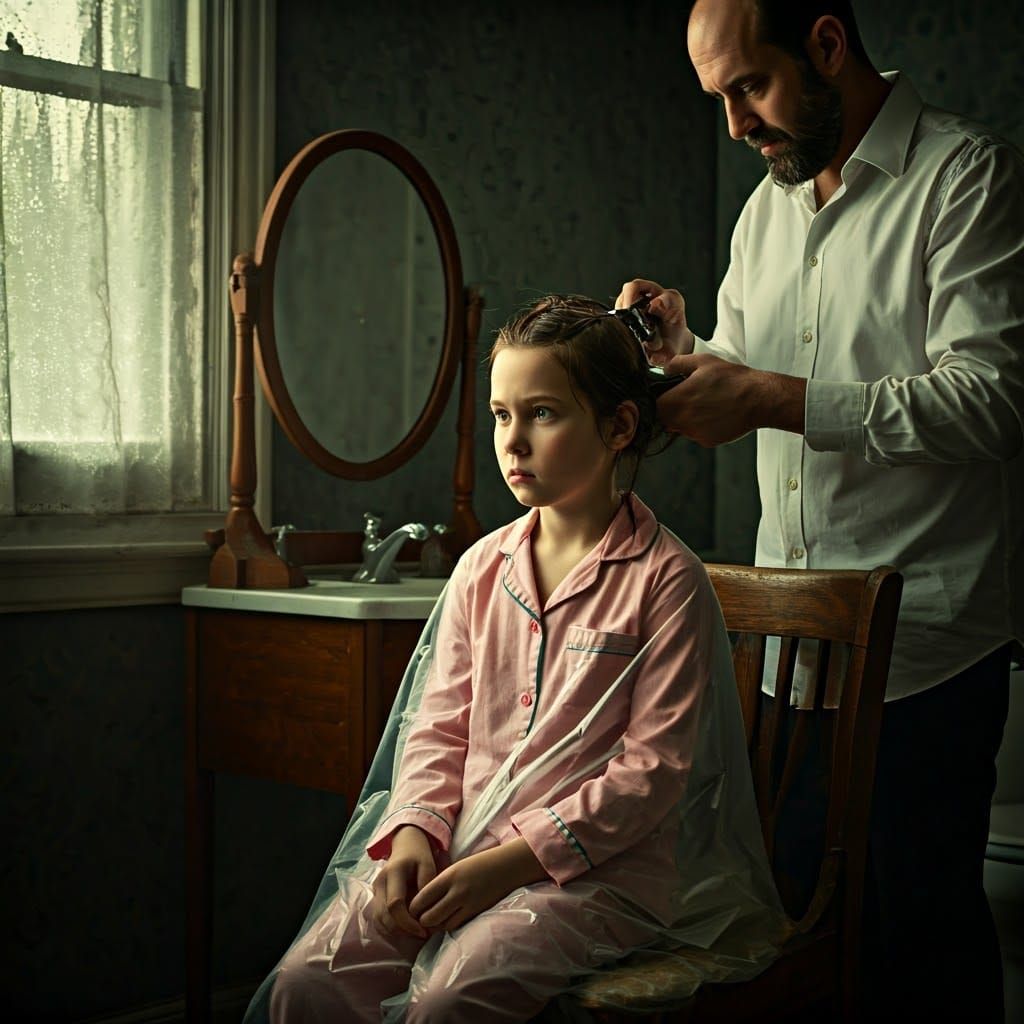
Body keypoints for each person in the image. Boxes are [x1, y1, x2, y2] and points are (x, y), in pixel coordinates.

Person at [618, 1, 1024, 1020]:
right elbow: (739, 372)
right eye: (717, 99)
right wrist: (681, 353)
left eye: (747, 88)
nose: (734, 126)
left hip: (926, 652)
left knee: (920, 954)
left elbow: (995, 399)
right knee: (801, 946)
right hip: (791, 661)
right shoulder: (767, 210)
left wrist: (772, 400)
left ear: (828, 48)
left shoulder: (966, 179)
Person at [243, 295, 785, 1023]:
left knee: (451, 999)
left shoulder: (667, 580)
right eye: (501, 415)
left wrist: (512, 864)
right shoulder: (479, 570)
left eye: (543, 413)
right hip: (457, 849)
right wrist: (413, 834)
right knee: (307, 983)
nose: (513, 441)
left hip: (598, 880)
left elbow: (649, 774)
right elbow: (436, 729)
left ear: (620, 425)